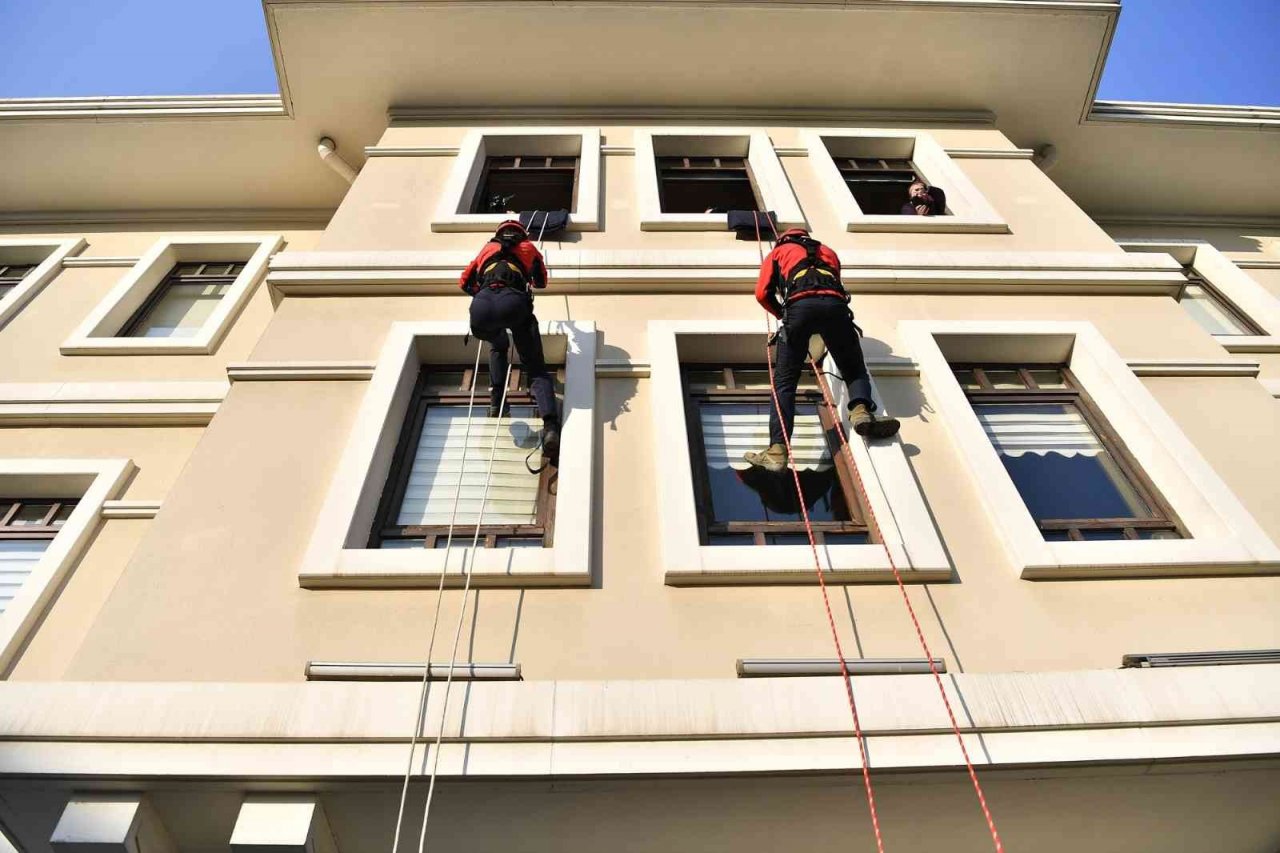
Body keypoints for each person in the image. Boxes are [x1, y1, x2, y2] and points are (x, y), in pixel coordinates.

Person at [744, 228, 900, 472]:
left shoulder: (779, 252)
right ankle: (860, 412)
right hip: (836, 310)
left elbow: (762, 293)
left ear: (784, 239)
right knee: (853, 368)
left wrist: (782, 314)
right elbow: (834, 282)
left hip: (800, 308)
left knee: (785, 383)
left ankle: (777, 450)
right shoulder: (828, 251)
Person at [459, 220, 560, 461]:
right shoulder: (529, 248)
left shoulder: (487, 248)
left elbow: (464, 281)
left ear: (499, 234)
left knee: (498, 344)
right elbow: (541, 282)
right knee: (535, 369)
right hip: (514, 303)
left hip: (481, 307)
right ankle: (550, 427)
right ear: (522, 235)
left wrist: (482, 293)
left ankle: (497, 404)